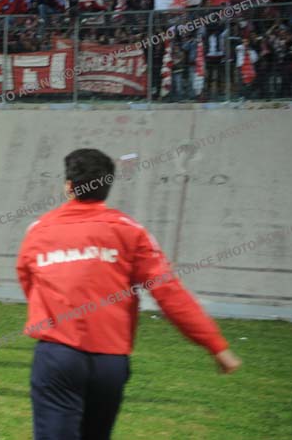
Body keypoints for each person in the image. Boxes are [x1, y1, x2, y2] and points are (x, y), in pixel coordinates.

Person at [16, 148, 241, 439]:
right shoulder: (130, 231)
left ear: (69, 186)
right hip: (110, 362)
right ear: (107, 187)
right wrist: (216, 346)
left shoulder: (39, 230)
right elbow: (169, 292)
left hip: (58, 357)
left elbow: (29, 281)